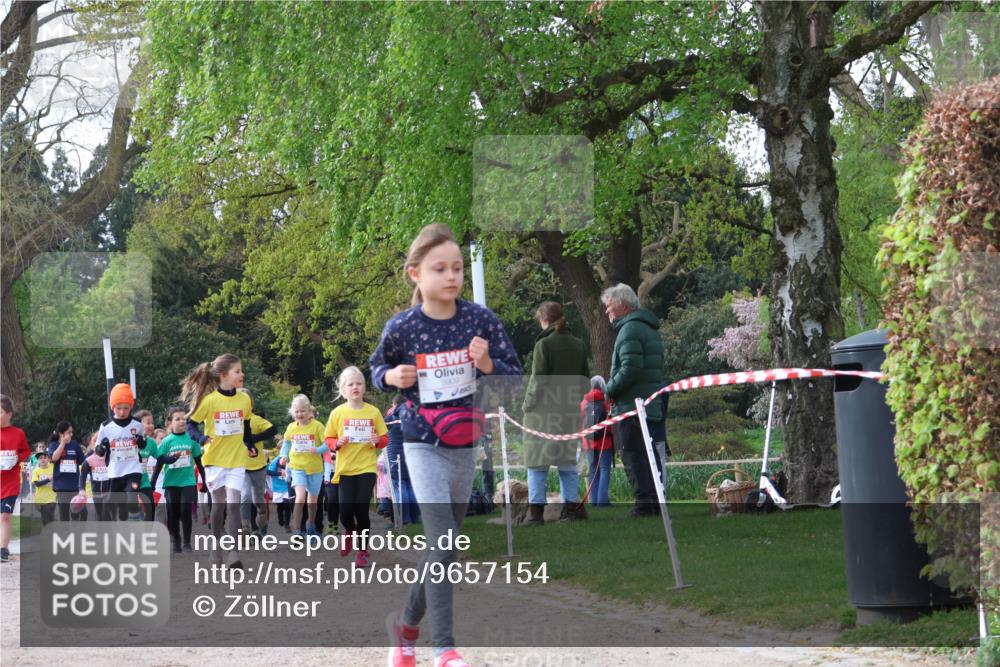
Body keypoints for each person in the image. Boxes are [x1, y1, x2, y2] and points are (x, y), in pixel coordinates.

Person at [370, 223, 521, 667]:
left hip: (465, 439)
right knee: (441, 539)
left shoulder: (480, 320)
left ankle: (404, 625)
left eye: (457, 268)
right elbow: (378, 367)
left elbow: (512, 383)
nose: (452, 276)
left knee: (447, 546)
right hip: (420, 441)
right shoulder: (402, 327)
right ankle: (444, 649)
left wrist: (487, 362)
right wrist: (391, 377)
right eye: (440, 268)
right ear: (415, 274)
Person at [182, 353, 259, 568]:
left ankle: (234, 553)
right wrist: (201, 438)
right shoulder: (210, 401)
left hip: (236, 459)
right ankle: (216, 545)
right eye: (238, 371)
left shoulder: (244, 399)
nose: (242, 374)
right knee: (219, 507)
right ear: (224, 375)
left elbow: (246, 427)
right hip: (214, 460)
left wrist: (250, 445)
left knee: (233, 505)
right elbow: (191, 424)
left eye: (241, 370)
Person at [521, 301, 590, 525]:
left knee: (537, 464)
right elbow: (584, 382)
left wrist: (527, 405)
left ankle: (535, 515)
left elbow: (538, 380)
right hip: (569, 412)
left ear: (544, 320)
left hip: (542, 414)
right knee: (567, 463)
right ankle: (570, 510)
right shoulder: (578, 344)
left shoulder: (544, 345)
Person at [601, 283, 665, 518]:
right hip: (650, 402)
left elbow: (630, 369)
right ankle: (656, 501)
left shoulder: (629, 330)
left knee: (633, 454)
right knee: (649, 454)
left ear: (623, 306)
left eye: (609, 308)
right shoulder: (648, 328)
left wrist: (609, 389)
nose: (607, 313)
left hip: (632, 405)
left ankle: (643, 504)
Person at [323, 367, 388, 567]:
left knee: (361, 509)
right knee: (345, 512)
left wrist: (377, 440)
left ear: (364, 387)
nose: (355, 387)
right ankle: (349, 531)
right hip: (345, 469)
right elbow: (328, 439)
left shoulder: (373, 411)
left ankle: (362, 550)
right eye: (350, 384)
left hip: (367, 467)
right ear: (343, 389)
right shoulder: (337, 413)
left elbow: (384, 438)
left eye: (358, 383)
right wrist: (337, 443)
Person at [152, 407, 207, 552]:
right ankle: (176, 539)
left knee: (185, 510)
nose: (182, 421)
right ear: (170, 422)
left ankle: (187, 542)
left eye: (184, 419)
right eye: (178, 419)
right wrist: (152, 482)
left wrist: (204, 481)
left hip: (188, 481)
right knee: (173, 513)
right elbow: (159, 463)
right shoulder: (166, 442)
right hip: (171, 483)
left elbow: (199, 463)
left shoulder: (191, 439)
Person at [95, 384, 152, 522]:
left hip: (133, 469)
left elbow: (143, 444)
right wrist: (103, 447)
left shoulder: (137, 424)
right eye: (118, 408)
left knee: (132, 495)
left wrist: (140, 441)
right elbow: (98, 451)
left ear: (131, 406)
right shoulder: (106, 426)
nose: (122, 412)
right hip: (115, 472)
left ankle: (136, 522)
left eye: (126, 408)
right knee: (110, 503)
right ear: (112, 407)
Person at [278, 394, 327, 539]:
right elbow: (286, 443)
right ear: (293, 412)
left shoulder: (317, 426)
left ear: (308, 410)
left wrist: (317, 450)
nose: (300, 414)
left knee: (312, 502)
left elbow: (327, 444)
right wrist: (283, 456)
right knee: (299, 498)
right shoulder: (291, 427)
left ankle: (311, 524)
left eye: (303, 411)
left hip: (314, 468)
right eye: (297, 411)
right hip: (297, 467)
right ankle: (297, 531)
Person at [238, 390, 277, 537]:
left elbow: (273, 429)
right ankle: (245, 526)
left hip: (258, 466)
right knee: (245, 496)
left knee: (258, 499)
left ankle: (262, 518)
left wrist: (255, 438)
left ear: (251, 404)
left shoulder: (255, 419)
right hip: (240, 466)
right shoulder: (232, 422)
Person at [1, 394, 32, 562]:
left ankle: (3, 549)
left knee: (5, 516)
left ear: (9, 414)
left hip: (10, 482)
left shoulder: (18, 433)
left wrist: (16, 458)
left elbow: (25, 451)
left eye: (0, 412)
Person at [580, 376, 614, 507]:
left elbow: (581, 424)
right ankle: (603, 501)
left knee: (593, 471)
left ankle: (594, 502)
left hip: (588, 443)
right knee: (605, 469)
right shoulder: (606, 402)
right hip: (605, 441)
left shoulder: (584, 402)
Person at [386, 395, 419, 525]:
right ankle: (415, 518)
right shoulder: (414, 417)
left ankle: (404, 518)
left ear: (394, 404)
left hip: (395, 457)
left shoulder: (389, 419)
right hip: (411, 457)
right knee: (411, 487)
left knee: (400, 487)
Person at [46, 421, 86, 522]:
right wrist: (63, 443)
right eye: (69, 432)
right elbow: (54, 458)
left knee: (81, 512)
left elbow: (83, 461)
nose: (71, 434)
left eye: (71, 432)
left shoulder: (74, 444)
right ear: (61, 434)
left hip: (75, 485)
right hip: (62, 486)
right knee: (64, 516)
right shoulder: (53, 445)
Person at [80, 436, 112, 521]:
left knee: (107, 514)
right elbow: (82, 475)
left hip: (108, 492)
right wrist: (82, 489)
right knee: (99, 515)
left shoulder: (111, 458)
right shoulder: (89, 460)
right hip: (96, 493)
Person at [31, 451, 56, 525]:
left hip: (51, 497)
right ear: (38, 460)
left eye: (45, 458)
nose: (42, 460)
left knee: (49, 515)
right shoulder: (36, 471)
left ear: (48, 459)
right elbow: (37, 484)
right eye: (40, 458)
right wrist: (49, 479)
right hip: (40, 498)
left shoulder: (53, 467)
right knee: (44, 519)